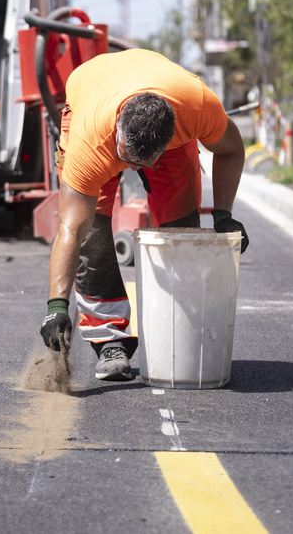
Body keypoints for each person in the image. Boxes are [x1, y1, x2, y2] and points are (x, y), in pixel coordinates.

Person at [39, 48, 249, 381]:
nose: (132, 169)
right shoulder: (90, 142)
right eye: (128, 158)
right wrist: (56, 307)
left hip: (163, 114)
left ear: (168, 141)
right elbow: (70, 228)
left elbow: (232, 149)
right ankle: (110, 340)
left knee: (182, 233)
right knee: (91, 235)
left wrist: (223, 215)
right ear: (120, 134)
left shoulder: (196, 107)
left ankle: (176, 334)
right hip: (94, 107)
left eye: (143, 162)